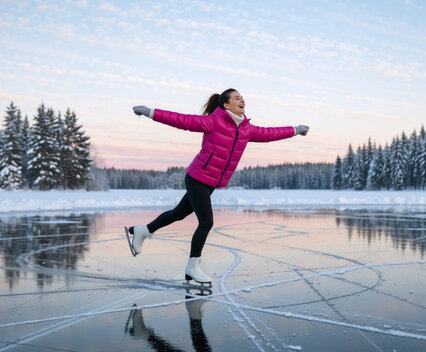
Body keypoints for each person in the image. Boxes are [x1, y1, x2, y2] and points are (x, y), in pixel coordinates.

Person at [125, 88, 309, 284]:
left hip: (210, 183)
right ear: (226, 104)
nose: (242, 100)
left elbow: (270, 133)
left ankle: (143, 230)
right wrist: (149, 112)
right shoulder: (214, 121)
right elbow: (181, 120)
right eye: (237, 98)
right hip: (197, 178)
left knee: (178, 213)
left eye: (243, 98)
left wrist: (295, 130)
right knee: (206, 222)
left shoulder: (247, 129)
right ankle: (192, 266)